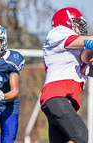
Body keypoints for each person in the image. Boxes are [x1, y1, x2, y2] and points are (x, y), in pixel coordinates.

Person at [40, 7, 93, 143]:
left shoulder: (77, 50)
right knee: (80, 136)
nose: (79, 29)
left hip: (62, 101)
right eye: (76, 24)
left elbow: (87, 62)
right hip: (56, 97)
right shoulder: (57, 33)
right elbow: (85, 41)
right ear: (66, 23)